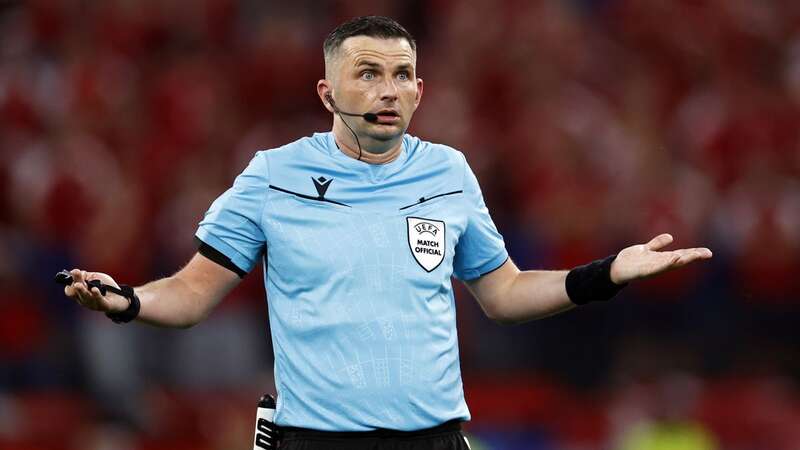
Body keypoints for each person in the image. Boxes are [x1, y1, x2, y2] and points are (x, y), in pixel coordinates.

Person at [63, 15, 713, 450]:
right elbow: (192, 292)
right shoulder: (273, 175)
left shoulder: (449, 172)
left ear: (420, 90)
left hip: (433, 437)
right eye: (367, 73)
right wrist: (127, 303)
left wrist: (607, 274)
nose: (388, 89)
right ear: (326, 91)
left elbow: (505, 292)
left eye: (401, 75)